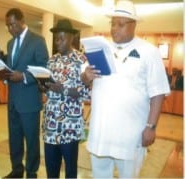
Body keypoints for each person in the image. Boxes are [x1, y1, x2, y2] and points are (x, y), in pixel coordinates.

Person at [81, 0, 170, 178]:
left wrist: (151, 127)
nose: (115, 29)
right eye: (112, 24)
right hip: (101, 131)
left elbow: (158, 93)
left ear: (133, 25)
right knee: (100, 174)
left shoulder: (149, 52)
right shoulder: (99, 47)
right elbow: (84, 78)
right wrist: (86, 76)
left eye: (120, 24)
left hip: (130, 135)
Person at [2, 8, 49, 178]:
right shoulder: (10, 43)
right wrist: (5, 75)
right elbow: (11, 68)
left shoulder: (37, 41)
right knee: (14, 139)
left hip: (29, 101)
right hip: (13, 100)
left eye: (13, 24)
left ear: (22, 21)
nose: (10, 29)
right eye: (8, 25)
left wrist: (23, 76)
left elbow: (44, 69)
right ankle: (17, 170)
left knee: (31, 140)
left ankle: (31, 172)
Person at [40, 19, 90, 178]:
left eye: (62, 38)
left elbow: (87, 93)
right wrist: (43, 87)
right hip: (51, 123)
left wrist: (64, 90)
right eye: (56, 38)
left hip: (70, 125)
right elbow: (48, 89)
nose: (58, 42)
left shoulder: (81, 60)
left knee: (70, 170)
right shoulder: (52, 60)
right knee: (51, 169)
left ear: (71, 38)